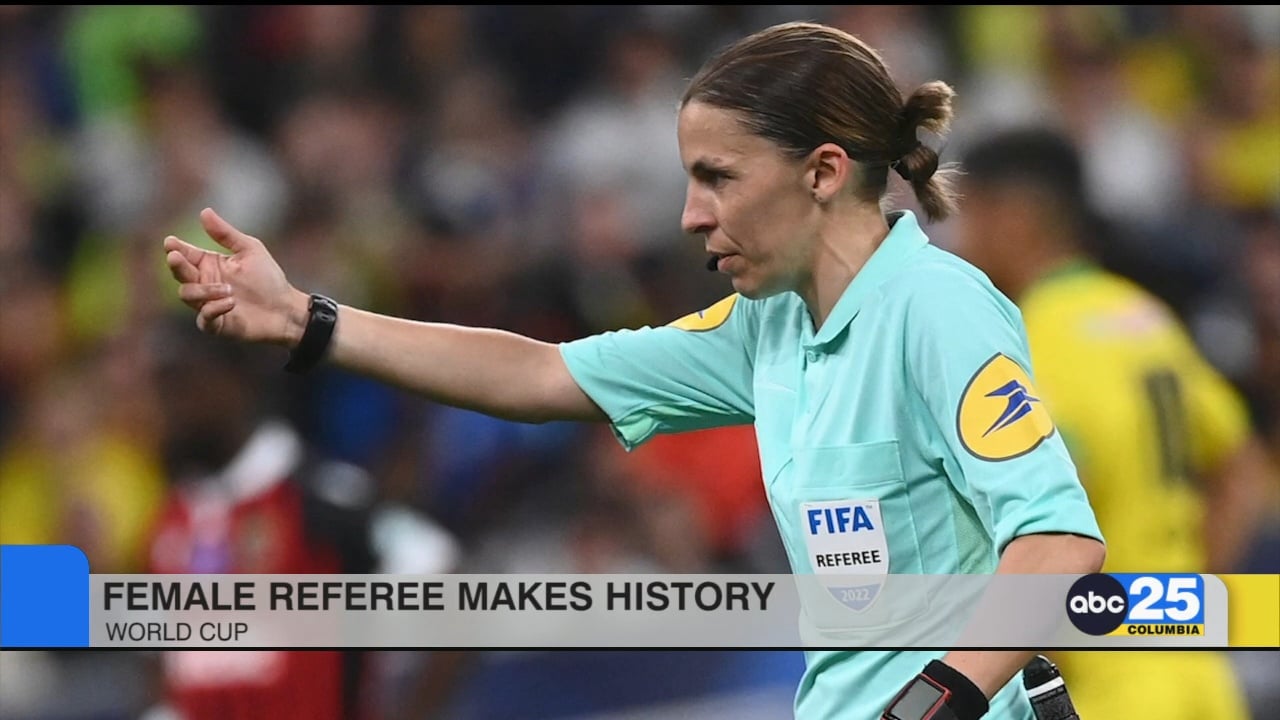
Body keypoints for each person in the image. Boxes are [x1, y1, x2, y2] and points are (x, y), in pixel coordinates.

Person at [161, 21, 1105, 720]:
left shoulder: (934, 310)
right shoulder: (766, 326)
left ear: (822, 172)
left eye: (719, 176)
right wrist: (306, 319)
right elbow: (540, 375)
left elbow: (1061, 547)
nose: (691, 214)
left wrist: (930, 704)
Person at [951, 126, 1276, 720]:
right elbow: (1241, 463)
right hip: (1200, 674)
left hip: (1108, 688)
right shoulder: (1142, 315)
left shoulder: (1031, 343)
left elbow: (1049, 509)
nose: (958, 240)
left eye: (969, 217)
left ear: (1015, 218)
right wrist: (1189, 600)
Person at [141, 317, 464, 720]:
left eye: (179, 385)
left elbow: (451, 590)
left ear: (233, 380)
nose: (165, 410)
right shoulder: (170, 523)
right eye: (158, 390)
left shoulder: (322, 498)